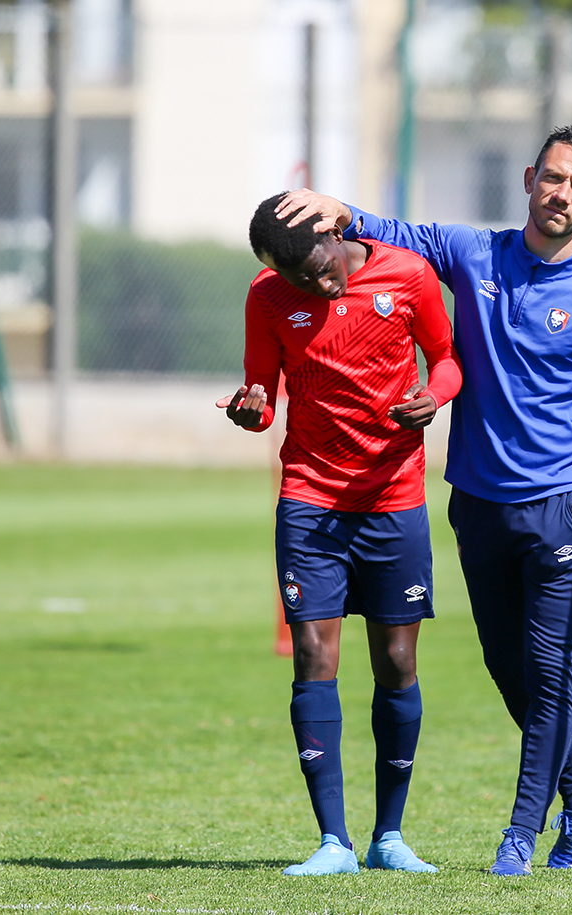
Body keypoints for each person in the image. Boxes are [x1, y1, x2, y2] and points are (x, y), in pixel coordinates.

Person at [277, 125, 572, 875]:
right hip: (476, 505)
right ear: (528, 178)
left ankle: (520, 832)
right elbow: (395, 231)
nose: (561, 195)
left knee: (549, 676)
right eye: (552, 178)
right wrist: (336, 208)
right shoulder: (474, 254)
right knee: (506, 668)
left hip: (557, 513)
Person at [217, 192, 462, 876]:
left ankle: (390, 837)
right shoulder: (267, 296)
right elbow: (260, 394)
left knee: (398, 662)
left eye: (316, 267)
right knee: (313, 654)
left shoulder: (409, 275)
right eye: (296, 277)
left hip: (393, 499)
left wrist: (433, 397)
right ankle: (333, 842)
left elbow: (447, 360)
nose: (313, 284)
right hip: (310, 498)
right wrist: (251, 406)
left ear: (334, 230)